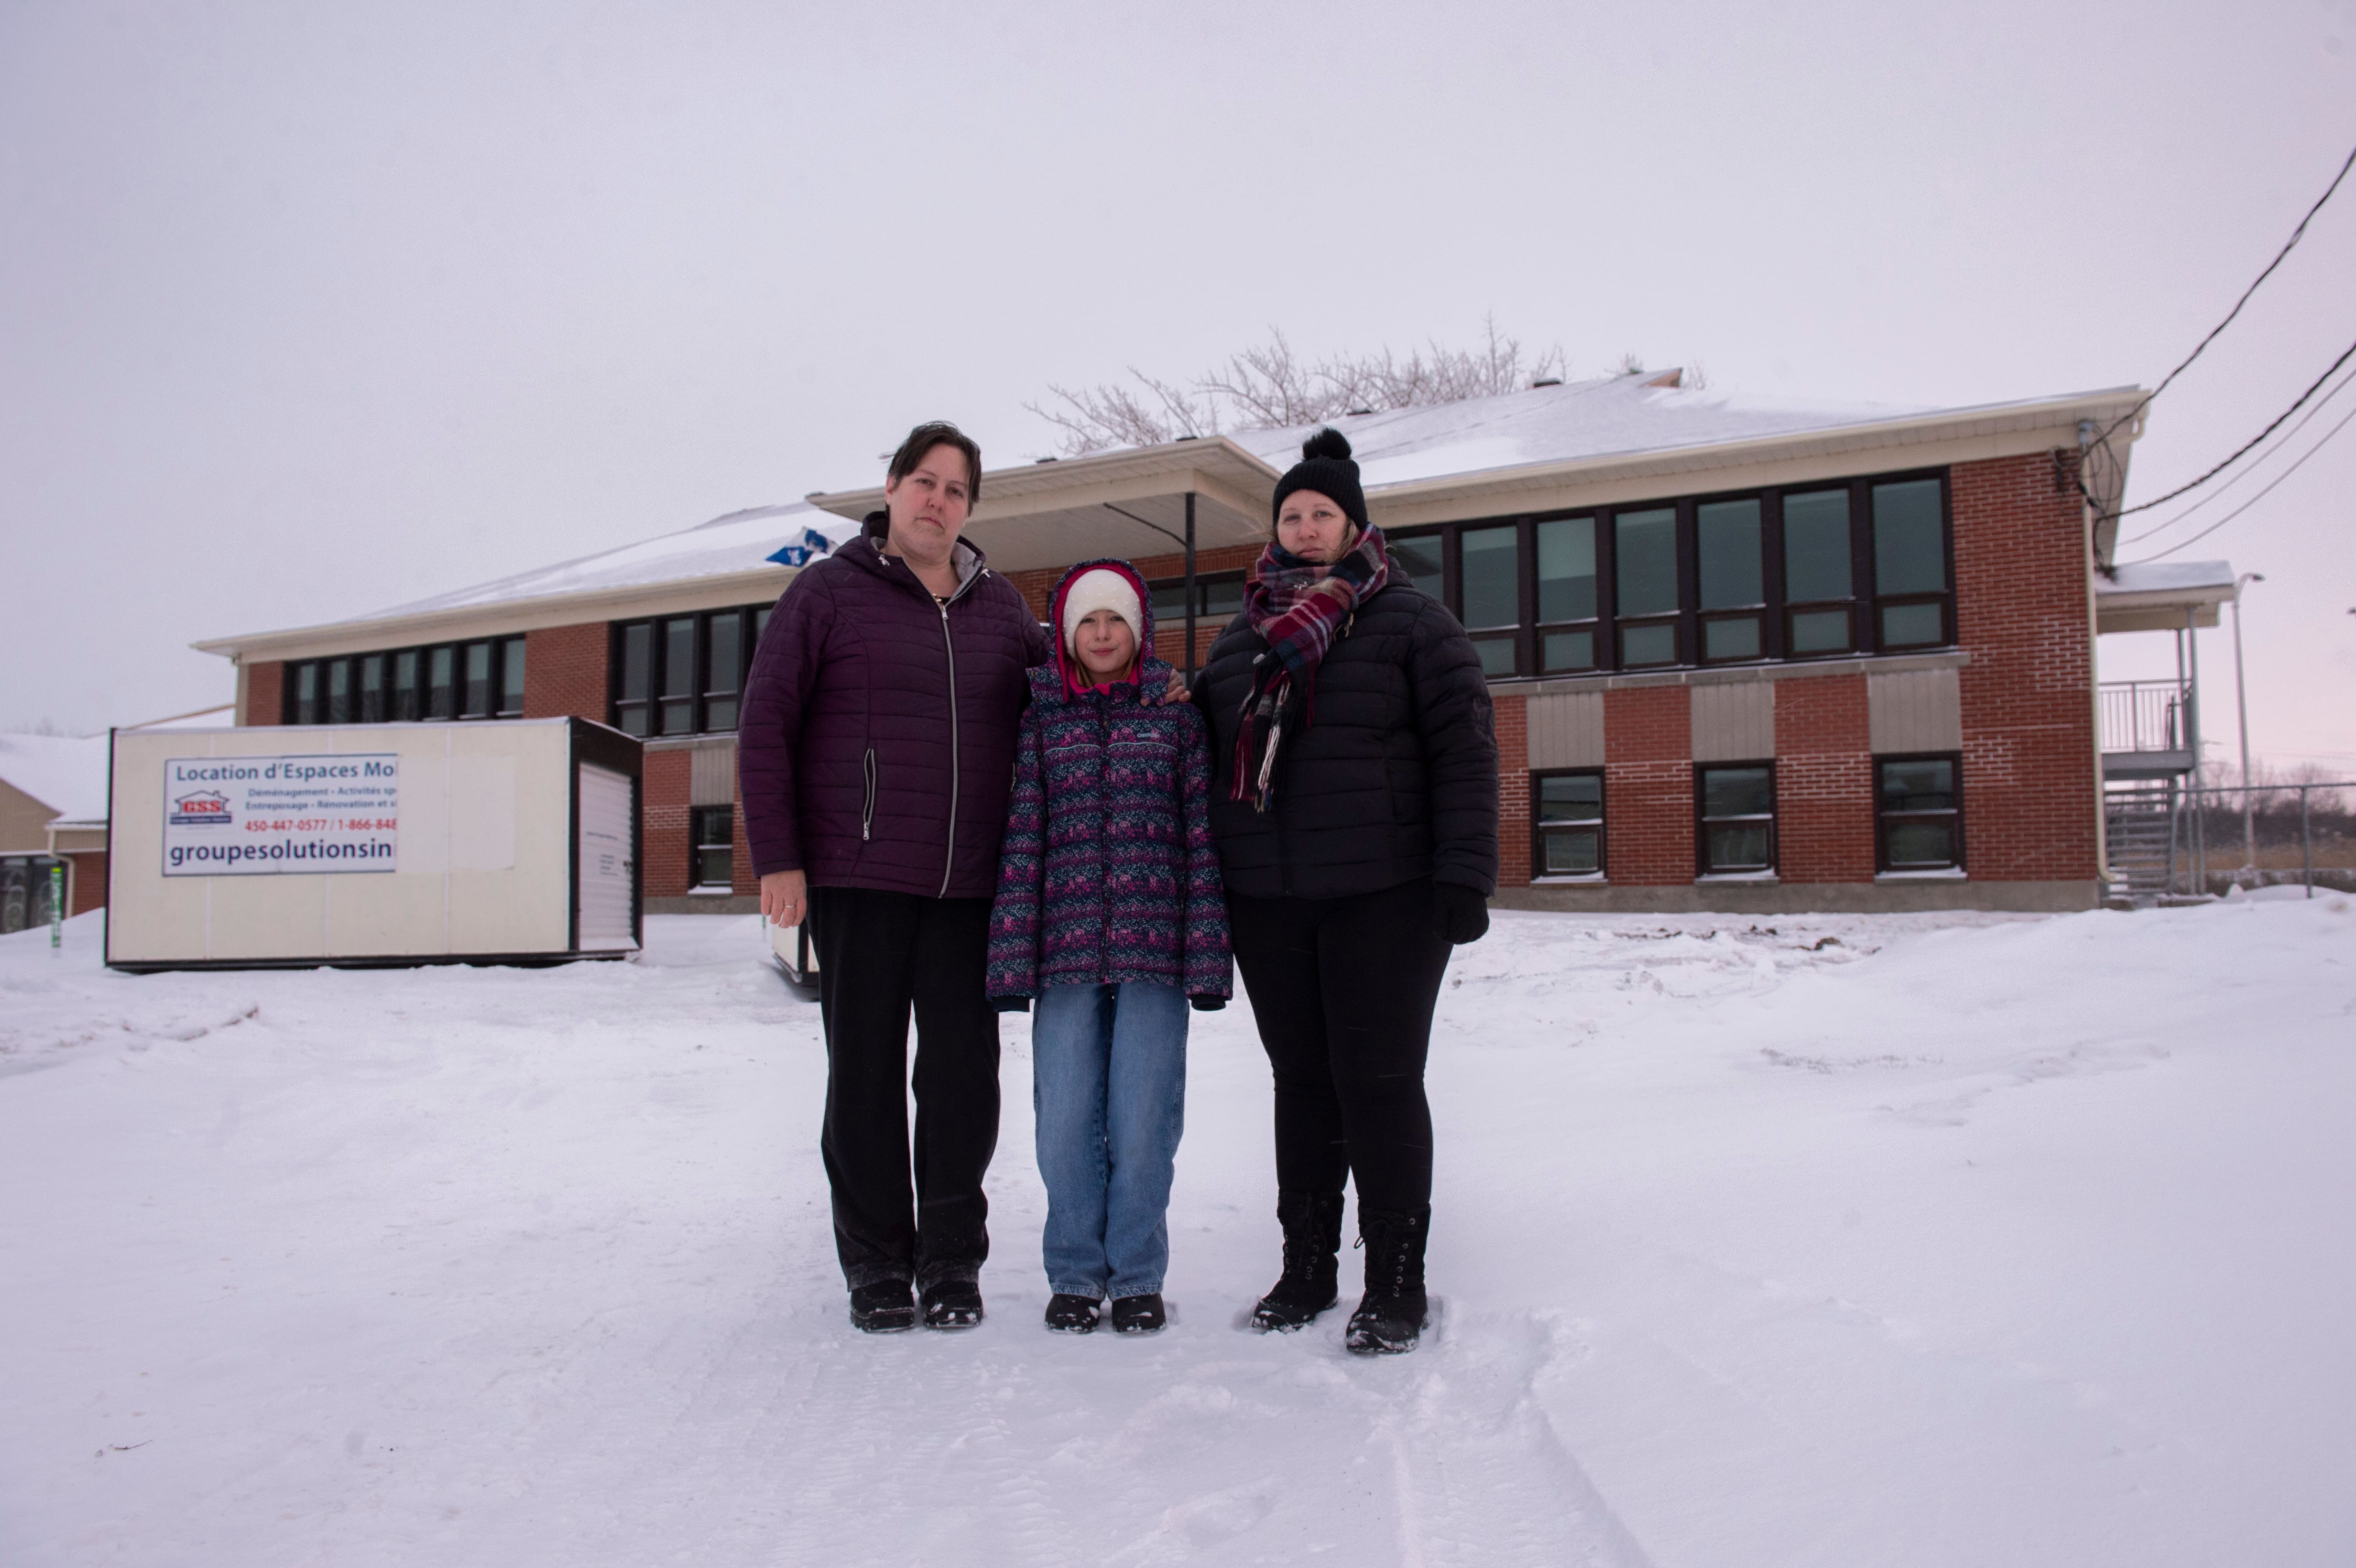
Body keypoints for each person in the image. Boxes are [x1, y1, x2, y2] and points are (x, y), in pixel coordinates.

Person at [1192, 428, 1499, 1355]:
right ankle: (1308, 1265)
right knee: (1302, 1084)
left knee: (1378, 1080)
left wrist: (1462, 875)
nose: (1305, 525)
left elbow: (1466, 752)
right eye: (1291, 513)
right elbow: (1203, 752)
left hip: (1387, 895)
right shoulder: (1243, 635)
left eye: (1322, 512)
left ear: (1353, 523)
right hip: (1270, 897)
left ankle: (1395, 1281)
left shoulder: (1411, 623)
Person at [739, 421, 1047, 1333]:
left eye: (955, 490)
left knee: (962, 1080)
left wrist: (1158, 689)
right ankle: (876, 1261)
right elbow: (766, 728)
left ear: (970, 508)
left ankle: (951, 1261)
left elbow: (1067, 693)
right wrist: (779, 859)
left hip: (969, 891)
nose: (936, 501)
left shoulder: (1001, 611)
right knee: (864, 1076)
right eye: (924, 482)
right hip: (859, 877)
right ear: (891, 486)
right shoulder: (828, 593)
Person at [984, 559, 1232, 1336]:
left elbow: (1201, 841)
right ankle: (1075, 1273)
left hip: (1156, 951)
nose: (1100, 634)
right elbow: (1023, 841)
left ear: (1137, 630)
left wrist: (1207, 959)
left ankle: (1134, 1275)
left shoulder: (1177, 720)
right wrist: (1010, 959)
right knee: (1064, 1122)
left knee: (1144, 1120)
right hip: (1063, 951)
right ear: (1066, 634)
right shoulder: (1042, 720)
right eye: (1086, 622)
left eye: (1114, 620)